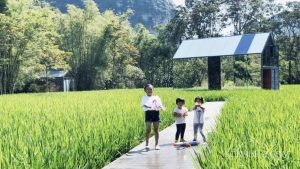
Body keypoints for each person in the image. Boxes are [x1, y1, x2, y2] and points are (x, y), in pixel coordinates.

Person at [141, 84, 165, 150]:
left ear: (153, 90)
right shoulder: (144, 98)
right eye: (148, 89)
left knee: (156, 130)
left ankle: (157, 144)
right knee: (148, 130)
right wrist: (150, 107)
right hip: (148, 113)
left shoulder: (157, 97)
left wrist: (162, 107)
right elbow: (144, 105)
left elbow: (160, 105)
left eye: (151, 89)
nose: (149, 90)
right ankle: (147, 144)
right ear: (145, 90)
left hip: (156, 113)